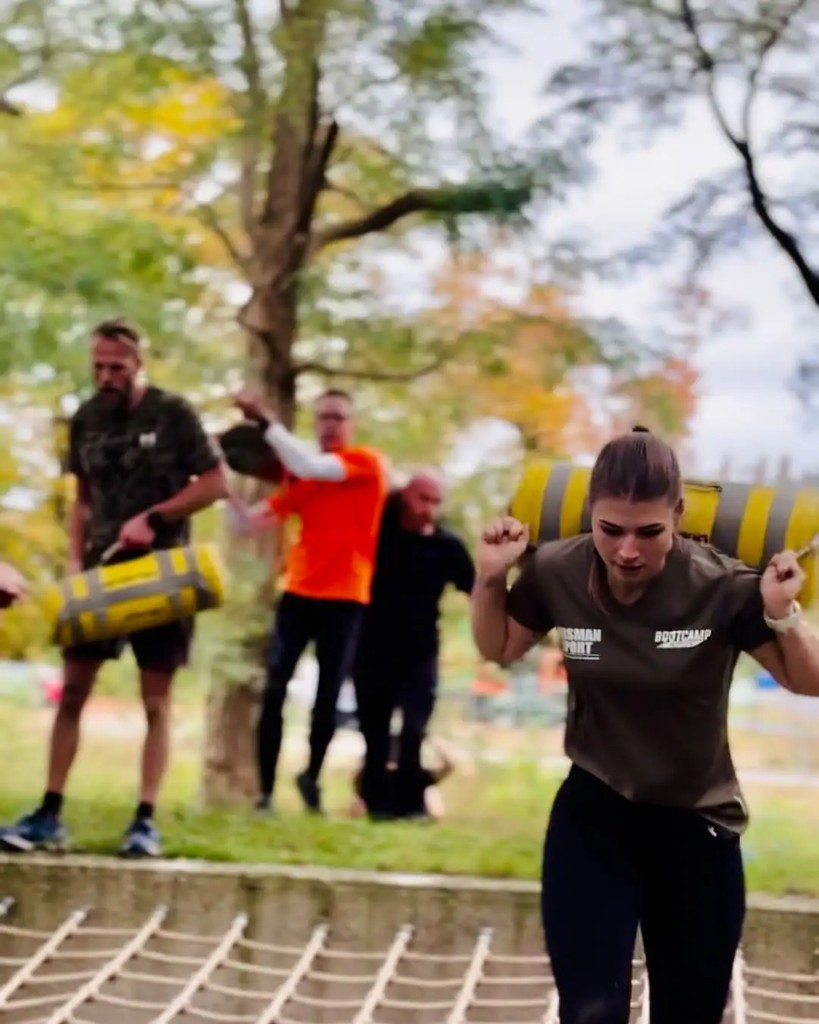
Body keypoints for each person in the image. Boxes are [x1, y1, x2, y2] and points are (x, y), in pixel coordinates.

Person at [470, 426, 819, 1024]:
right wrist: (488, 577)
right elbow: (500, 646)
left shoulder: (723, 587)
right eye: (611, 530)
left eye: (649, 532)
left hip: (697, 829)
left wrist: (783, 613)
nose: (627, 550)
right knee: (590, 1013)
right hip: (594, 817)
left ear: (678, 515)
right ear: (590, 517)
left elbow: (806, 680)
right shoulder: (557, 570)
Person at [0, 319, 227, 858]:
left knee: (156, 702)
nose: (106, 375)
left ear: (138, 364)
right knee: (72, 692)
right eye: (98, 366)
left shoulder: (174, 413)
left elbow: (217, 484)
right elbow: (81, 499)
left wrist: (155, 516)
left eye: (116, 367)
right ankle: (48, 813)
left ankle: (144, 821)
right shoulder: (85, 419)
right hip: (100, 575)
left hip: (162, 576)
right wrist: (76, 560)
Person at [230, 388, 389, 815]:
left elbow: (309, 462)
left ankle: (311, 778)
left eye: (337, 417)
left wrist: (265, 418)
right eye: (322, 418)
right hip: (298, 593)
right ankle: (264, 793)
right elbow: (248, 522)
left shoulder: (365, 463)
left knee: (327, 696)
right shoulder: (304, 478)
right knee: (275, 689)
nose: (329, 425)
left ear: (351, 425)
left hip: (346, 597)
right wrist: (218, 478)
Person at [353, 469, 475, 819]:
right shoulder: (378, 537)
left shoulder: (447, 546)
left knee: (414, 729)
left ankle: (411, 806)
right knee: (373, 731)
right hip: (371, 649)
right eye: (423, 499)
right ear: (405, 496)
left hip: (420, 652)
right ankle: (377, 805)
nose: (429, 509)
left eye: (436, 502)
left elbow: (475, 589)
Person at [348, 734, 455, 821]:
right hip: (383, 812)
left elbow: (448, 766)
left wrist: (432, 740)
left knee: (431, 793)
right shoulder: (374, 774)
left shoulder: (413, 775)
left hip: (412, 814)